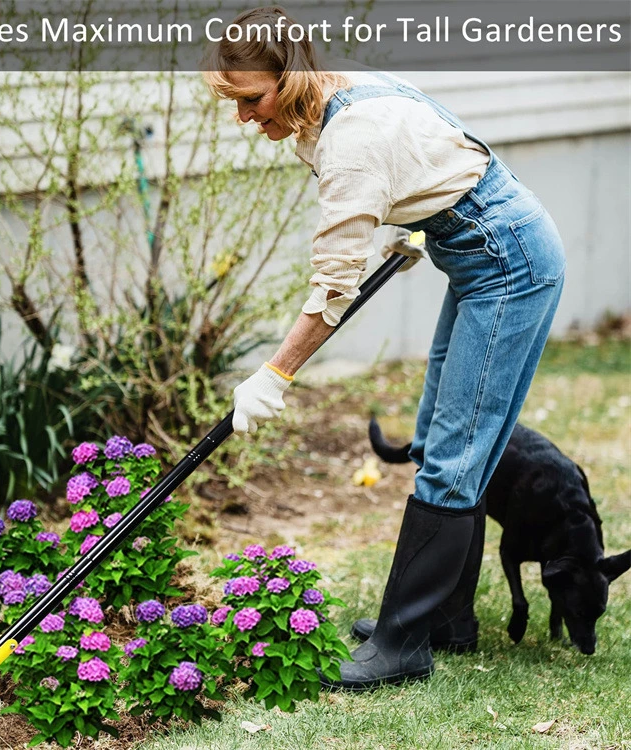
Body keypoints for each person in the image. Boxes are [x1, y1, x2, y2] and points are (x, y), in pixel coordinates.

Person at [202, 6, 565, 690]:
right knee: (439, 437)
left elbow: (331, 288)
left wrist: (274, 374)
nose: (245, 117)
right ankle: (446, 620)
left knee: (456, 449)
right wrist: (418, 219)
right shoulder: (339, 93)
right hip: (482, 251)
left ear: (293, 76)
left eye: (252, 99)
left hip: (508, 263)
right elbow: (439, 146)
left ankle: (402, 645)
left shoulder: (351, 139)